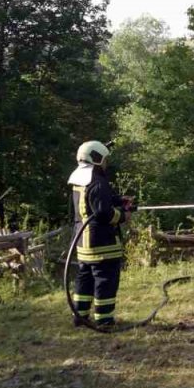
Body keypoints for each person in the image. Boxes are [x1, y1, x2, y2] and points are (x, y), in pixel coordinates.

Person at [68, 140, 131, 329]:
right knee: (105, 280)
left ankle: (80, 317)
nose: (106, 163)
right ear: (96, 158)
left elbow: (93, 203)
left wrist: (120, 200)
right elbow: (103, 213)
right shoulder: (97, 180)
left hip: (83, 242)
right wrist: (122, 216)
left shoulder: (80, 179)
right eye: (104, 159)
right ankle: (104, 321)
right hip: (102, 243)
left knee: (84, 279)